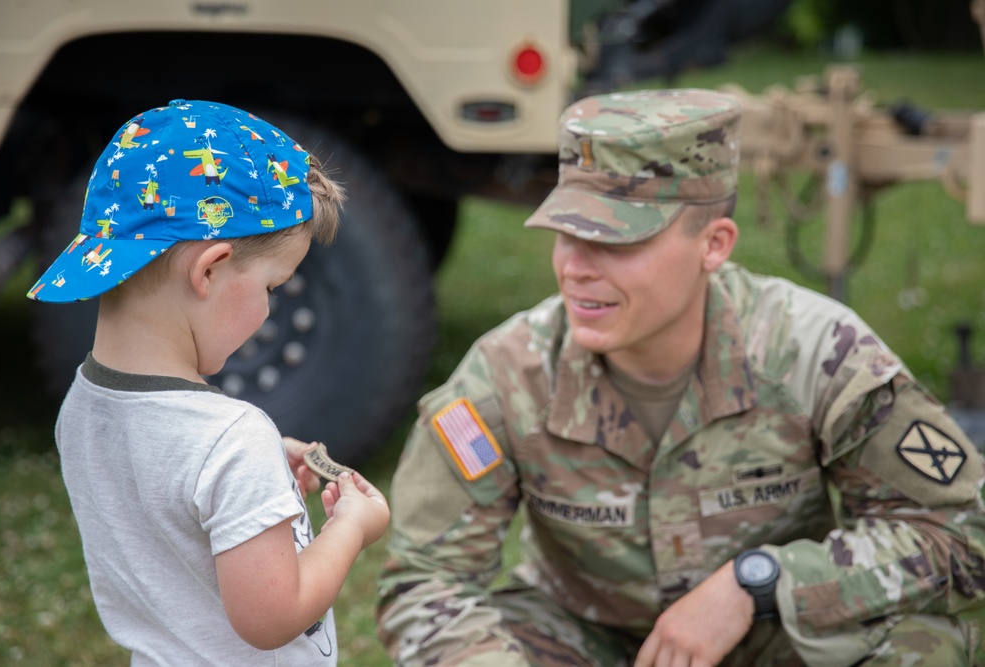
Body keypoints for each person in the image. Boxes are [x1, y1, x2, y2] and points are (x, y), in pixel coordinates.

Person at [375, 89, 985, 666]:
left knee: (921, 641)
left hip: (775, 638)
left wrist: (762, 585)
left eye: (615, 239)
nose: (576, 268)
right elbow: (425, 580)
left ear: (714, 245)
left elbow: (960, 529)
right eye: (566, 234)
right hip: (585, 638)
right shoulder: (505, 376)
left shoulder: (816, 354)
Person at [27, 99, 390, 664]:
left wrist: (261, 468)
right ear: (211, 269)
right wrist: (350, 528)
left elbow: (173, 491)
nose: (271, 312)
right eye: (273, 287)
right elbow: (272, 616)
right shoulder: (231, 440)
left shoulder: (81, 404)